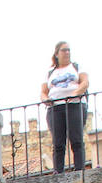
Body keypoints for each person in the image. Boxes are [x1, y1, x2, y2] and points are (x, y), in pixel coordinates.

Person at [41, 41, 89, 173]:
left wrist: (74, 94)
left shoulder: (77, 67)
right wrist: (45, 99)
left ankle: (80, 170)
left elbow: (85, 83)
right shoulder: (50, 73)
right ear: (57, 54)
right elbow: (43, 91)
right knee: (58, 143)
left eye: (68, 50)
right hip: (55, 107)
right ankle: (58, 172)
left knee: (77, 139)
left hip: (74, 104)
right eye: (64, 50)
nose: (67, 52)